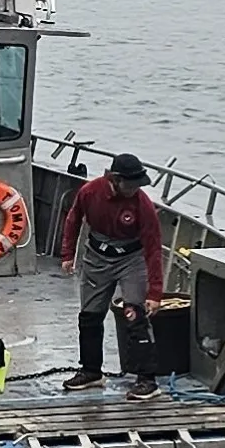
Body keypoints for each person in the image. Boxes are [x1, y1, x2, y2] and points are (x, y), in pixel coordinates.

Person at [60, 152, 164, 400]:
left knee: (135, 315)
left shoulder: (142, 204)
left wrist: (155, 292)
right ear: (115, 179)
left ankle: (147, 379)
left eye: (138, 184)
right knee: (90, 315)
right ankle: (91, 371)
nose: (134, 189)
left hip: (131, 259)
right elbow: (74, 220)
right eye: (130, 184)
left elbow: (153, 247)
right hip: (97, 256)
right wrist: (67, 254)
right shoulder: (90, 192)